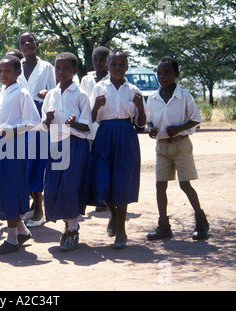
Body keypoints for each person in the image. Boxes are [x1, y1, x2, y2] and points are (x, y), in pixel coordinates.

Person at [146, 57, 209, 241]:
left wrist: (180, 128)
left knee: (185, 184)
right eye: (159, 73)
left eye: (167, 73)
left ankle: (200, 220)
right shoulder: (153, 98)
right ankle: (163, 226)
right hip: (162, 146)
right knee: (160, 185)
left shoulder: (185, 96)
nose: (162, 76)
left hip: (181, 145)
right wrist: (152, 130)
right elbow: (150, 120)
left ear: (176, 74)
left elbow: (196, 119)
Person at [89, 50, 146, 249]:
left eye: (122, 64)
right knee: (100, 180)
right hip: (104, 134)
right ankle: (113, 214)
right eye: (114, 64)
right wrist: (96, 107)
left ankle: (121, 231)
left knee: (122, 181)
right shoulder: (98, 87)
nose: (118, 68)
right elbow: (90, 118)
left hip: (126, 134)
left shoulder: (133, 90)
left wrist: (141, 106)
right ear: (108, 66)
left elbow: (141, 123)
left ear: (127, 66)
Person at [0, 55, 41, 255]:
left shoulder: (22, 93)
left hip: (13, 145)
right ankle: (21, 230)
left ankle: (11, 239)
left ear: (18, 72)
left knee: (10, 188)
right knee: (0, 186)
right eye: (0, 71)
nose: (3, 74)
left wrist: (10, 130)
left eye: (7, 71)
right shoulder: (3, 92)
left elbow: (33, 122)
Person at [42, 52, 92, 251]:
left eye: (65, 68)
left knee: (69, 187)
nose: (61, 72)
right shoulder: (51, 95)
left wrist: (75, 124)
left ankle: (72, 230)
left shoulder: (80, 95)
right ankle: (68, 224)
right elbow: (43, 125)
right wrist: (47, 119)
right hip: (56, 145)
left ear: (74, 71)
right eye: (58, 68)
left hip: (75, 145)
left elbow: (87, 127)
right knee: (53, 187)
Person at [17, 31, 56, 227]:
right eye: (23, 42)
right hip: (21, 116)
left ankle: (40, 211)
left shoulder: (46, 67)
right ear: (20, 47)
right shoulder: (17, 67)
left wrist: (47, 92)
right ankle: (32, 208)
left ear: (36, 43)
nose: (27, 44)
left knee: (37, 162)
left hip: (40, 116)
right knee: (25, 163)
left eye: (30, 41)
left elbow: (56, 92)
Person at [80, 46, 110, 212]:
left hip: (104, 127)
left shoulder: (112, 78)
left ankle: (102, 197)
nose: (98, 63)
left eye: (102, 60)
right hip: (89, 127)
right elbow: (83, 102)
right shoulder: (86, 80)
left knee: (103, 163)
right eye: (95, 60)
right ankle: (89, 196)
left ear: (107, 61)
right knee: (89, 163)